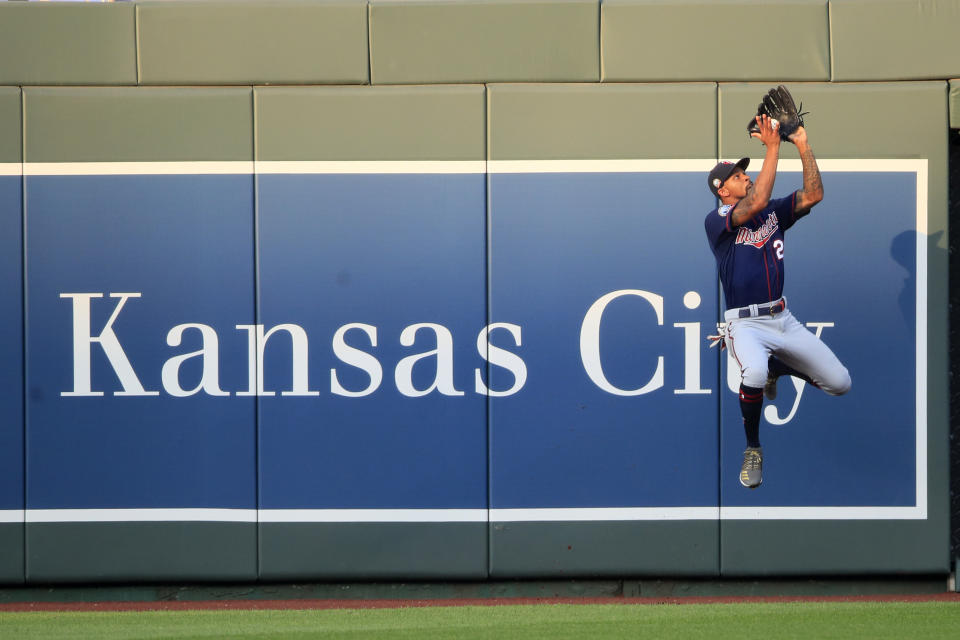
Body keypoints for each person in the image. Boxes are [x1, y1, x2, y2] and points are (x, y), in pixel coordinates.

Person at [704, 114, 851, 489]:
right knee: (751, 373)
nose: (745, 176)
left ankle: (777, 369)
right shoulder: (717, 220)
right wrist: (771, 147)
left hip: (782, 319)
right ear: (722, 190)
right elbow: (755, 204)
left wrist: (801, 143)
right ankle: (753, 447)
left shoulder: (771, 213)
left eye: (744, 172)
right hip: (745, 324)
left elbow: (814, 194)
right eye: (737, 176)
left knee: (840, 383)